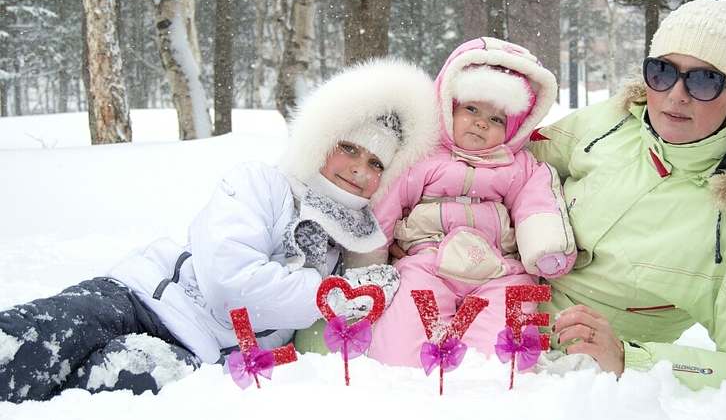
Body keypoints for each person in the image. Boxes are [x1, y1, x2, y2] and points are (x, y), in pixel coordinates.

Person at [0, 58, 439, 403]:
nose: (359, 169)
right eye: (349, 148)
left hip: (195, 361)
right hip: (139, 300)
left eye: (377, 163)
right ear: (321, 140)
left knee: (104, 388)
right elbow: (232, 285)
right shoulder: (261, 183)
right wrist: (326, 295)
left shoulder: (351, 247)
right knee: (32, 345)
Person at [526, 0, 726, 389]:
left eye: (704, 80)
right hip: (471, 301)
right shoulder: (612, 121)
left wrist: (630, 358)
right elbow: (501, 160)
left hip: (559, 377)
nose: (676, 94)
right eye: (662, 71)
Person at [366, 37, 577, 367]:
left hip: (500, 269)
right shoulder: (422, 157)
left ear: (514, 128)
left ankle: (487, 386)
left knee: (502, 354)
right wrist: (368, 261)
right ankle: (405, 381)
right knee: (400, 346)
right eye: (472, 109)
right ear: (449, 108)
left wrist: (546, 247)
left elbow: (537, 203)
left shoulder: (518, 166)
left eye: (496, 120)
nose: (481, 122)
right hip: (428, 262)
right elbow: (387, 207)